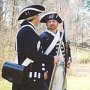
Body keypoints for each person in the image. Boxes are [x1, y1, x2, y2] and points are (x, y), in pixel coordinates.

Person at [12, 5, 60, 90]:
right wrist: (51, 59)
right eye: (38, 15)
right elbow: (32, 54)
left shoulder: (25, 29)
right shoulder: (28, 31)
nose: (39, 18)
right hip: (28, 76)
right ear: (35, 17)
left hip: (28, 74)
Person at [39, 12, 72, 90]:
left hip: (62, 68)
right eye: (49, 22)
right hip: (49, 69)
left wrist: (69, 59)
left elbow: (68, 50)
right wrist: (43, 70)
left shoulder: (62, 35)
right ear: (46, 24)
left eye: (53, 21)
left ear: (57, 23)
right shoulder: (42, 36)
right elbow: (39, 55)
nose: (51, 23)